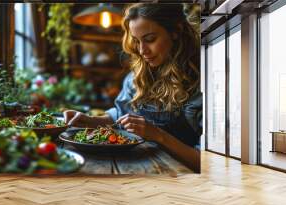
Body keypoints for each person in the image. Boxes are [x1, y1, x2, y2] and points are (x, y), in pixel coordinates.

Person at [64, 3, 201, 172]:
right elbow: (122, 114)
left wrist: (158, 135)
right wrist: (90, 120)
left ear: (176, 31)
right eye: (137, 41)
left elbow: (210, 162)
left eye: (150, 39)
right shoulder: (137, 76)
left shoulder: (201, 82)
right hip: (137, 167)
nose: (142, 51)